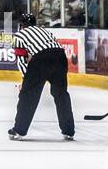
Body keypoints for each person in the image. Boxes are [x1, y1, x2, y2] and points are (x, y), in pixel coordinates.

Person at [9, 13, 74, 141]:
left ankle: (19, 130)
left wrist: (25, 80)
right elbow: (53, 47)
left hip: (41, 59)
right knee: (61, 94)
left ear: (22, 25)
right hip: (60, 57)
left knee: (28, 95)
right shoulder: (45, 31)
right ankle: (69, 130)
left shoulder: (19, 35)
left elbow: (21, 60)